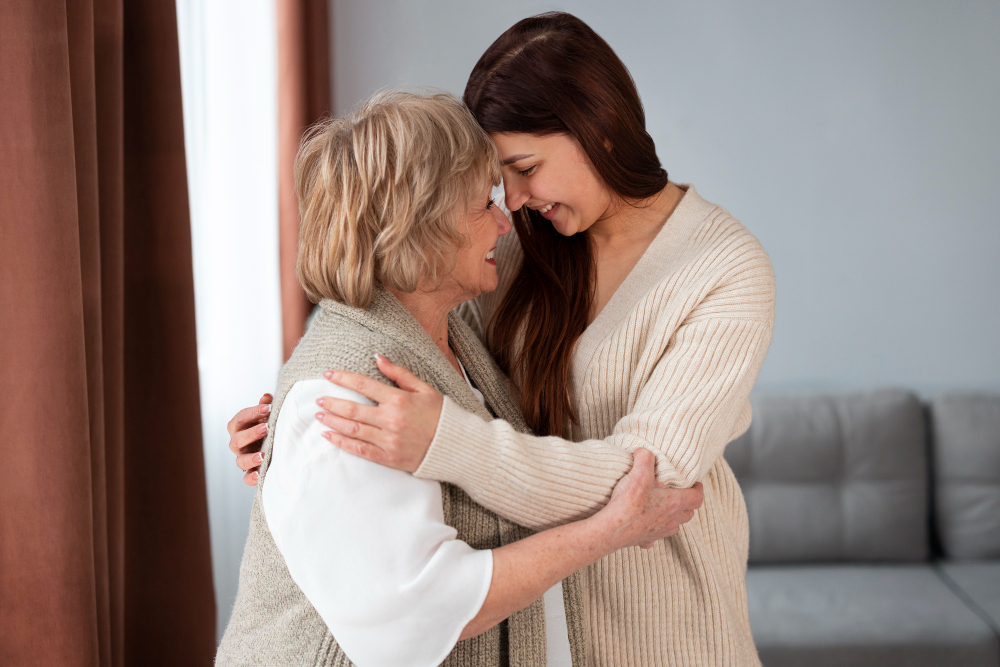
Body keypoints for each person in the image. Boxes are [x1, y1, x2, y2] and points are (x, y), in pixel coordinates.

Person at [233, 11, 775, 666]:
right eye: (497, 181)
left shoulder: (725, 268)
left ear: (597, 129)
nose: (512, 203)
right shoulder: (514, 252)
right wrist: (298, 441)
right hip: (538, 627)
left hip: (663, 626)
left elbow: (648, 479)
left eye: (524, 167)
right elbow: (430, 361)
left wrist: (446, 443)